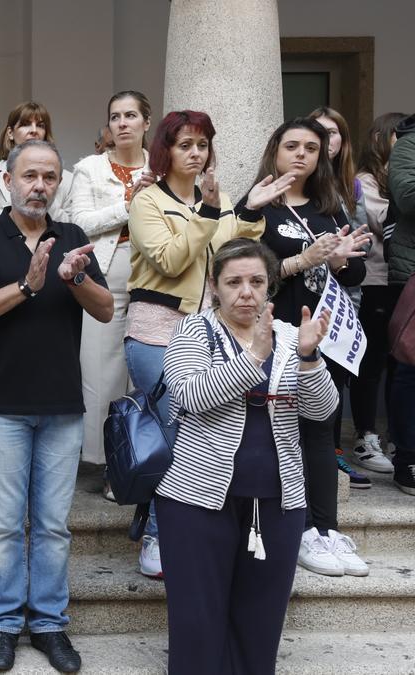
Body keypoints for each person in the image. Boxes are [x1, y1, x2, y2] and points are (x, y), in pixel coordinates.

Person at [0, 139, 112, 673]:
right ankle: (1, 623)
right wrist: (26, 285)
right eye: (29, 176)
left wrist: (76, 277)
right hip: (1, 405)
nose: (39, 186)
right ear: (7, 181)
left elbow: (106, 310)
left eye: (49, 177)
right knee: (1, 526)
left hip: (62, 405)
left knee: (52, 526)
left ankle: (48, 624)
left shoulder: (73, 239)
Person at [155, 238, 338, 675]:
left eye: (256, 282)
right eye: (234, 282)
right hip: (195, 499)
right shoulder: (193, 331)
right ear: (214, 287)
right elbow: (191, 395)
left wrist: (309, 358)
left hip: (278, 501)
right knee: (197, 622)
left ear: (269, 286)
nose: (246, 292)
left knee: (260, 623)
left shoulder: (291, 335)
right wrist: (254, 355)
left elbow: (322, 411)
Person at [125, 110, 288, 577]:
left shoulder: (217, 198)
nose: (196, 153)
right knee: (174, 433)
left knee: (207, 433)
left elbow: (234, 255)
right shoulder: (147, 201)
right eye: (185, 145)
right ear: (165, 151)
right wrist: (211, 214)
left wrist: (248, 213)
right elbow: (172, 261)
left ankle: (191, 530)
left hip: (208, 332)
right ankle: (158, 536)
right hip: (156, 331)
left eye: (202, 145)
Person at [250, 118, 372, 577]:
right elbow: (245, 272)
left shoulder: (329, 207)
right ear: (275, 151)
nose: (301, 154)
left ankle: (327, 529)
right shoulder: (258, 205)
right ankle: (298, 530)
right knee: (285, 432)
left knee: (322, 432)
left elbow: (355, 272)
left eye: (311, 148)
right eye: (292, 146)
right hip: (277, 333)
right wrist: (303, 260)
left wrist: (338, 261)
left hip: (324, 338)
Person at [69, 90, 156, 569]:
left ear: (147, 122)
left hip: (155, 276)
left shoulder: (161, 166)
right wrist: (130, 202)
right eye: (115, 117)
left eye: (131, 116)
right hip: (105, 274)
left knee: (142, 371)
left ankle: (144, 455)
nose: (122, 123)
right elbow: (79, 222)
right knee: (100, 372)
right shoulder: (89, 168)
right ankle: (108, 463)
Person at [309, 106, 383, 486]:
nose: (327, 139)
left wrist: (347, 249)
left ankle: (334, 453)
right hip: (307, 293)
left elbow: (362, 241)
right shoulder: (301, 182)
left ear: (344, 139)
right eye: (319, 131)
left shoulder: (351, 185)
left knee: (336, 378)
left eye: (334, 131)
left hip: (345, 296)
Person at [350, 112, 406, 475]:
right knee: (370, 363)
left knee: (400, 362)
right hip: (373, 280)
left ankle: (397, 436)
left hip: (402, 281)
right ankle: (365, 435)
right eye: (400, 138)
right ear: (380, 140)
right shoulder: (364, 181)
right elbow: (385, 222)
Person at [388, 114, 415, 496]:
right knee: (411, 367)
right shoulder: (409, 143)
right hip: (412, 274)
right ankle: (407, 457)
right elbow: (408, 197)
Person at [0, 102, 71, 221]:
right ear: (10, 133)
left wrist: (45, 197)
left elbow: (73, 226)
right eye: (25, 124)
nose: (34, 130)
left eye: (40, 125)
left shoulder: (67, 179)